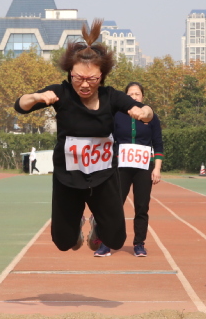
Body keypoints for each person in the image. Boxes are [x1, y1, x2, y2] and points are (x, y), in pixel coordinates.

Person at [14, 19, 153, 253]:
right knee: (64, 242)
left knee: (116, 239)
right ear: (70, 73)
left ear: (102, 76)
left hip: (103, 177)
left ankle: (97, 224)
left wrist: (143, 112)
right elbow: (20, 105)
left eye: (92, 79)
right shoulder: (61, 92)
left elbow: (147, 112)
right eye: (78, 78)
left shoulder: (111, 97)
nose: (85, 84)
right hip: (68, 178)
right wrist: (37, 97)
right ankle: (77, 222)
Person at [93, 81, 163, 258]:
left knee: (142, 206)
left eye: (137, 94)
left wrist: (157, 169)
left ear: (143, 96)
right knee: (114, 205)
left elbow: (158, 144)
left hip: (143, 168)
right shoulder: (116, 115)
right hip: (120, 166)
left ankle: (139, 244)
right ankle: (106, 243)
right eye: (130, 94)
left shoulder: (151, 117)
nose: (134, 97)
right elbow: (107, 138)